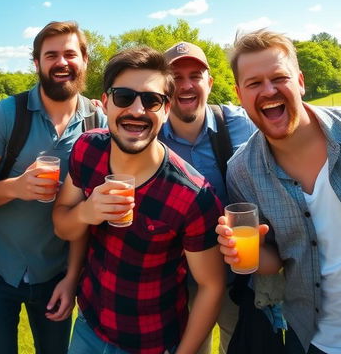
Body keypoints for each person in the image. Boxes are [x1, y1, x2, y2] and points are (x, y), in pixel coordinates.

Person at [216, 29, 341, 354]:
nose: (268, 90)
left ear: (299, 81)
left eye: (279, 78)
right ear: (239, 94)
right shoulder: (242, 171)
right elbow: (274, 263)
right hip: (314, 341)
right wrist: (249, 250)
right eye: (254, 83)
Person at [53, 45, 225, 354]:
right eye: (123, 97)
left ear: (167, 109)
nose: (136, 110)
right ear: (105, 104)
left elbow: (211, 286)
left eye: (151, 100)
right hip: (89, 326)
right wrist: (86, 212)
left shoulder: (193, 196)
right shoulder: (87, 150)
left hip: (153, 343)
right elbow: (62, 225)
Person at [0, 20, 106, 354]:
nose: (61, 62)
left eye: (70, 54)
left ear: (84, 60)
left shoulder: (97, 123)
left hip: (56, 273)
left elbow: (86, 211)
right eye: (50, 55)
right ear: (37, 62)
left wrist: (72, 278)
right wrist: (16, 187)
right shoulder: (7, 114)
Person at [161, 41, 257, 354]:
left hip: (237, 277)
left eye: (195, 76)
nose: (186, 85)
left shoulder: (241, 124)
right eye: (176, 78)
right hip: (177, 282)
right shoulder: (151, 135)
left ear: (209, 82)